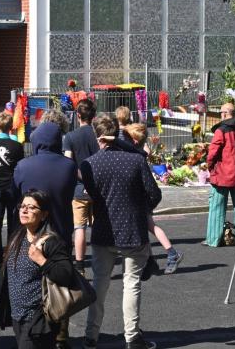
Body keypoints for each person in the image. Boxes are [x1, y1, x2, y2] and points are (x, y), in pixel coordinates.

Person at [81, 115, 162, 349]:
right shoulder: (135, 161)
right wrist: (140, 210)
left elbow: (93, 195)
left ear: (98, 136)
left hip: (104, 230)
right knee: (132, 284)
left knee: (100, 284)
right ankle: (132, 336)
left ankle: (91, 335)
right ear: (118, 133)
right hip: (132, 230)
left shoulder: (90, 164)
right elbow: (154, 194)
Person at [0, 190, 74, 349]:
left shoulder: (51, 242)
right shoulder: (17, 237)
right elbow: (6, 274)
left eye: (32, 208)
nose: (24, 210)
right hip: (18, 316)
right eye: (22, 206)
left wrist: (42, 261)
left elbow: (66, 275)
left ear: (44, 215)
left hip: (39, 319)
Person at [122, 121, 183, 274]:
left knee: (150, 226)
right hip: (140, 197)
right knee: (144, 228)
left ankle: (172, 253)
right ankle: (150, 260)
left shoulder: (136, 157)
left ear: (134, 141)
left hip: (140, 199)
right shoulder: (138, 154)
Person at [14, 122, 77, 258]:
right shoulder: (69, 166)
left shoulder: (22, 166)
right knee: (59, 275)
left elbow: (17, 193)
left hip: (32, 234)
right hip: (61, 230)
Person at [205, 103, 235, 247]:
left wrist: (211, 167)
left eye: (221, 112)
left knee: (217, 208)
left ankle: (214, 239)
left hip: (221, 175)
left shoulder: (221, 131)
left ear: (225, 114)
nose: (220, 114)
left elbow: (212, 154)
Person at [64, 99, 98, 274]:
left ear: (78, 116)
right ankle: (102, 261)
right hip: (99, 188)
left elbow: (69, 163)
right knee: (99, 225)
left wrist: (83, 179)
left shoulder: (70, 137)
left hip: (79, 189)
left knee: (79, 228)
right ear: (94, 116)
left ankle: (80, 266)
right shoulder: (98, 135)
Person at [0, 112, 25, 268]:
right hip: (11, 187)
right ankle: (11, 253)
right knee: (13, 222)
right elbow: (20, 168)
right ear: (11, 127)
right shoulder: (17, 146)